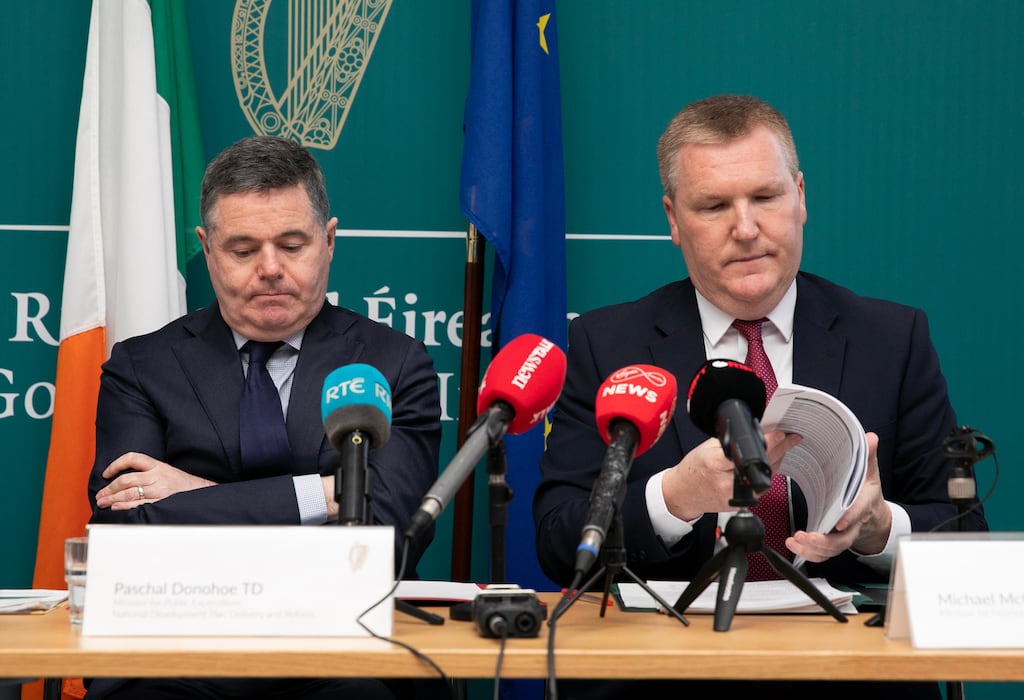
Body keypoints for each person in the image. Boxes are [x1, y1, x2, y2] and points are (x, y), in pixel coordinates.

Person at [534, 95, 987, 699]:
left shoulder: (892, 338)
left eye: (765, 198)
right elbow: (559, 540)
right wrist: (675, 498)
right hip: (664, 677)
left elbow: (966, 543)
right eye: (714, 205)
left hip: (847, 677)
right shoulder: (606, 343)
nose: (745, 228)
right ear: (673, 219)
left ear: (801, 197)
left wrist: (880, 526)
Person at [85, 135, 442, 699]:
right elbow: (125, 533)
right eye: (244, 249)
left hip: (346, 647)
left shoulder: (393, 364)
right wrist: (323, 495)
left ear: (329, 241)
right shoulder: (141, 366)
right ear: (207, 249)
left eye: (292, 244)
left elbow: (388, 538)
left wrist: (195, 495)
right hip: (178, 649)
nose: (270, 269)